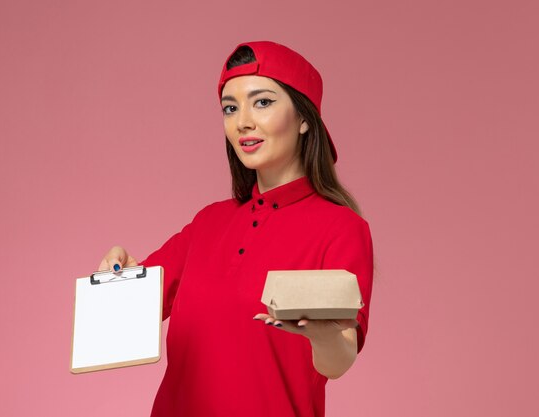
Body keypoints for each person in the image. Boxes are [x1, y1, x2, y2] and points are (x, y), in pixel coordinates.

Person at [97, 40, 374, 417]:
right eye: (230, 108)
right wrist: (118, 277)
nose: (243, 120)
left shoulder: (342, 228)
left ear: (305, 117)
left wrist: (323, 335)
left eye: (262, 102)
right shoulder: (208, 223)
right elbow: (123, 322)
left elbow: (339, 361)